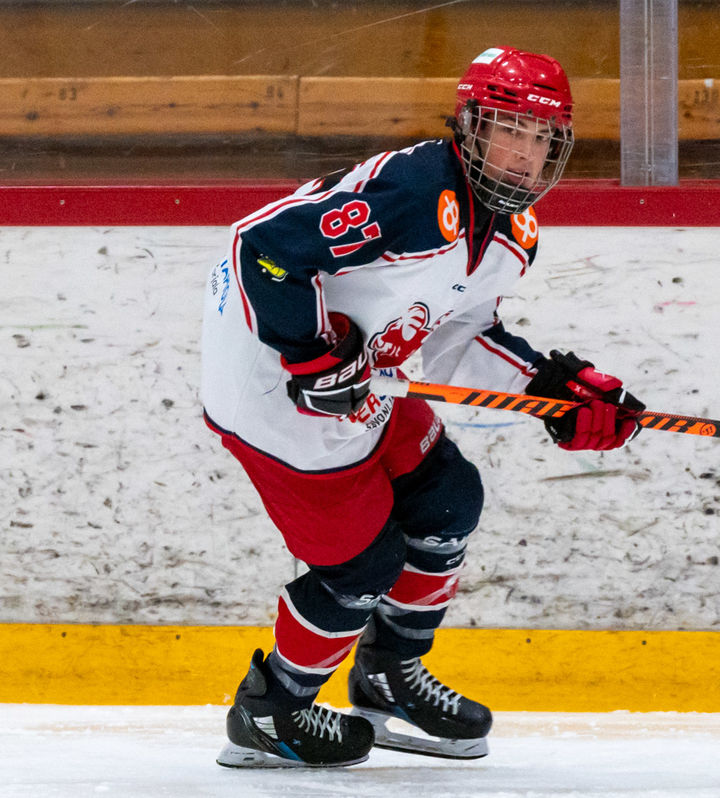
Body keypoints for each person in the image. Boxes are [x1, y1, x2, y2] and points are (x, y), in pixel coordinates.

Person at [201, 46, 643, 769]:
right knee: (361, 567)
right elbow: (263, 248)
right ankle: (271, 707)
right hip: (273, 393)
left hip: (362, 376)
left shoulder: (511, 234)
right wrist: (310, 353)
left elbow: (455, 339)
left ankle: (386, 674)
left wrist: (552, 392)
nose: (527, 156)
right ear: (470, 125)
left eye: (543, 139)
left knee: (447, 500)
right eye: (510, 130)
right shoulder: (411, 195)